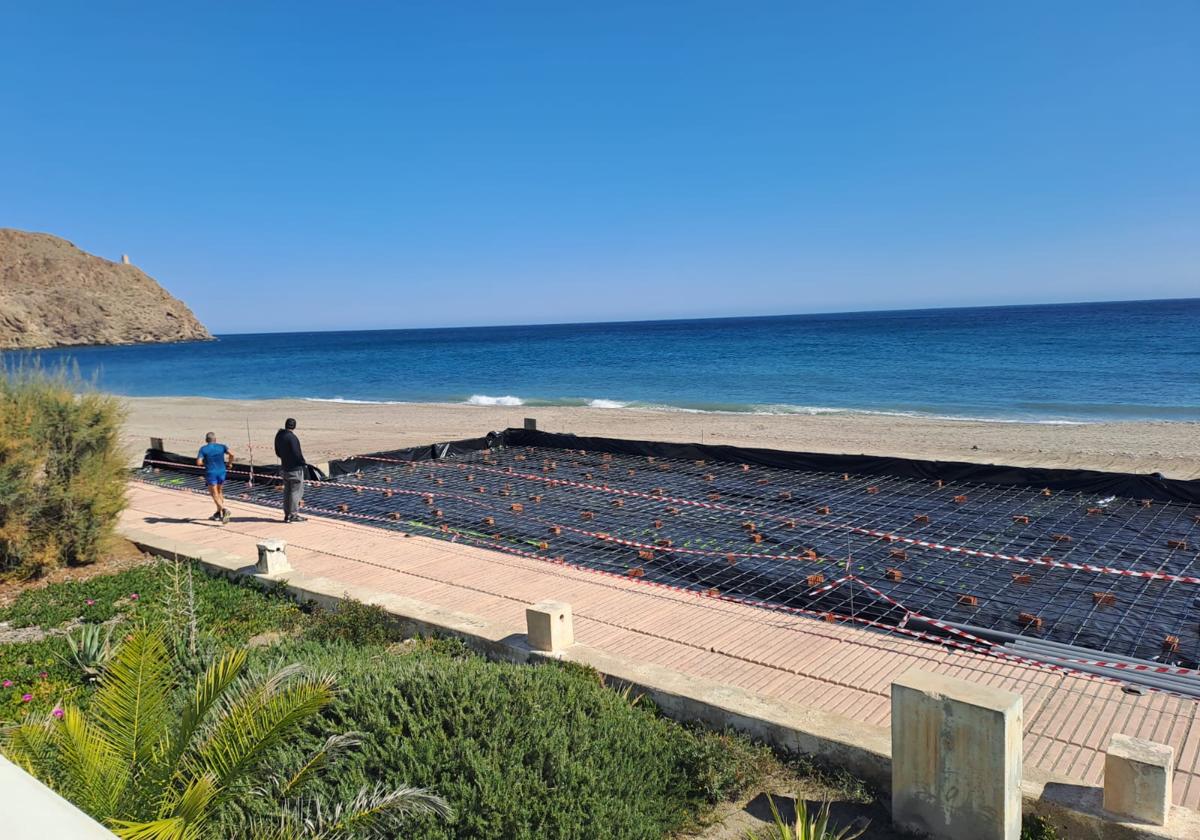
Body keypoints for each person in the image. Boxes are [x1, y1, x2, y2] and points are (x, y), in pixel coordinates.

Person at [274, 417, 307, 523]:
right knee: (295, 492)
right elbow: (297, 453)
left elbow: (277, 452)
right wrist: (303, 462)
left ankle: (287, 514)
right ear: (294, 426)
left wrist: (285, 458)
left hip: (284, 467)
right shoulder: (292, 438)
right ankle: (293, 514)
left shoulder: (279, 435)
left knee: (287, 491)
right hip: (295, 469)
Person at [196, 432, 233, 523]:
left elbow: (199, 463)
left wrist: (206, 462)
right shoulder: (222, 446)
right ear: (215, 439)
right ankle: (218, 513)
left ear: (206, 440)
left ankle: (224, 510)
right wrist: (230, 463)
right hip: (222, 472)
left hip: (211, 472)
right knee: (219, 492)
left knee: (214, 493)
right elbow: (232, 454)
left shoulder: (203, 449)